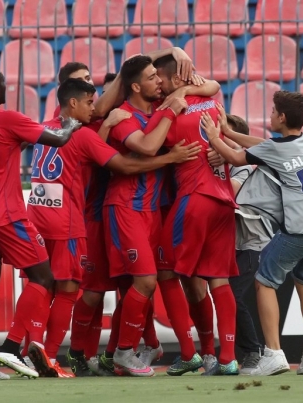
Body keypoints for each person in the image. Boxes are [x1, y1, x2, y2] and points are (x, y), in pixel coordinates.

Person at [25, 79, 201, 377]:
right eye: (91, 101)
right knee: (83, 291)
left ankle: (49, 351)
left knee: (56, 285)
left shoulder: (47, 128)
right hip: (85, 218)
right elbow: (120, 165)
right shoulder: (86, 131)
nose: (96, 107)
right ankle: (65, 354)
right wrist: (170, 156)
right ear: (72, 102)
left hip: (47, 215)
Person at [200, 91, 303, 376]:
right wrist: (229, 132)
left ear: (282, 117)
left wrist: (215, 136)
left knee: (264, 282)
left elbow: (236, 158)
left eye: (274, 111)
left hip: (299, 229)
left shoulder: (276, 149)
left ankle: (274, 353)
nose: (271, 115)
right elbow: (263, 146)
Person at [0, 63, 82, 381]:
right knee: (43, 276)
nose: (5, 86)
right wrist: (73, 122)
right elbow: (59, 139)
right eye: (3, 82)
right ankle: (11, 346)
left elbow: (4, 145)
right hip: (5, 214)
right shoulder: (6, 118)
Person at [101, 55, 189, 377]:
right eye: (152, 77)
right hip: (126, 207)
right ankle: (124, 351)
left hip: (152, 210)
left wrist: (180, 61)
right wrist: (170, 115)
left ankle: (134, 348)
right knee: (145, 280)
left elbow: (210, 86)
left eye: (158, 75)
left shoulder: (157, 109)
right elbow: (148, 147)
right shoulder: (123, 116)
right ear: (136, 86)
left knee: (138, 285)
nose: (159, 81)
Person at [154, 54, 239, 376]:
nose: (158, 84)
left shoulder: (171, 112)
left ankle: (191, 353)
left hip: (193, 200)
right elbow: (211, 87)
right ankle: (227, 358)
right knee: (218, 279)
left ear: (176, 79)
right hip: (223, 201)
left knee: (164, 270)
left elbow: (149, 145)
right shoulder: (214, 103)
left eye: (161, 79)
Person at [224, 115, 271, 375]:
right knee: (226, 296)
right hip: (232, 243)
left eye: (225, 135)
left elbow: (229, 192)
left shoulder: (244, 166)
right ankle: (225, 355)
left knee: (231, 295)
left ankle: (253, 351)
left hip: (252, 242)